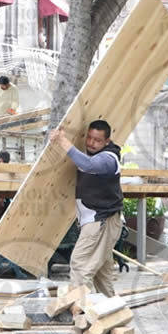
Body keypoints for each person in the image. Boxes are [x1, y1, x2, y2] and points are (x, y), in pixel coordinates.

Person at [50, 120, 123, 297]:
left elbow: (89, 166)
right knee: (102, 274)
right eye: (89, 138)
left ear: (107, 141)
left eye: (97, 140)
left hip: (101, 221)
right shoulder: (91, 154)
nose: (91, 143)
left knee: (80, 264)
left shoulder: (108, 159)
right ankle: (112, 310)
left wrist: (62, 140)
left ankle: (81, 311)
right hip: (99, 220)